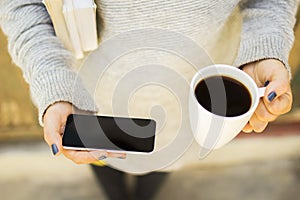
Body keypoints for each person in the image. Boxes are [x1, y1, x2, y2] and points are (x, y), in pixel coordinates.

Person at [0, 0, 298, 200]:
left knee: (157, 173)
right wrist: (52, 78)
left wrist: (264, 45)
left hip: (195, 109)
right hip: (92, 103)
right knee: (107, 172)